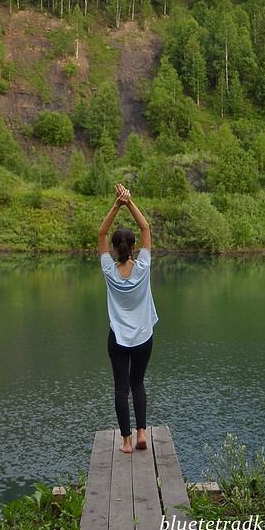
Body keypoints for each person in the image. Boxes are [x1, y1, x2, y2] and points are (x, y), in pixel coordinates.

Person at [98, 183, 158, 453]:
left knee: (121, 388)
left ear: (114, 248)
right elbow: (146, 228)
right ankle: (142, 433)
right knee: (138, 384)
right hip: (143, 337)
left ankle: (126, 442)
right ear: (134, 247)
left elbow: (100, 232)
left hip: (118, 339)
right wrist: (129, 201)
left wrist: (116, 205)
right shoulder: (143, 267)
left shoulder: (109, 270)